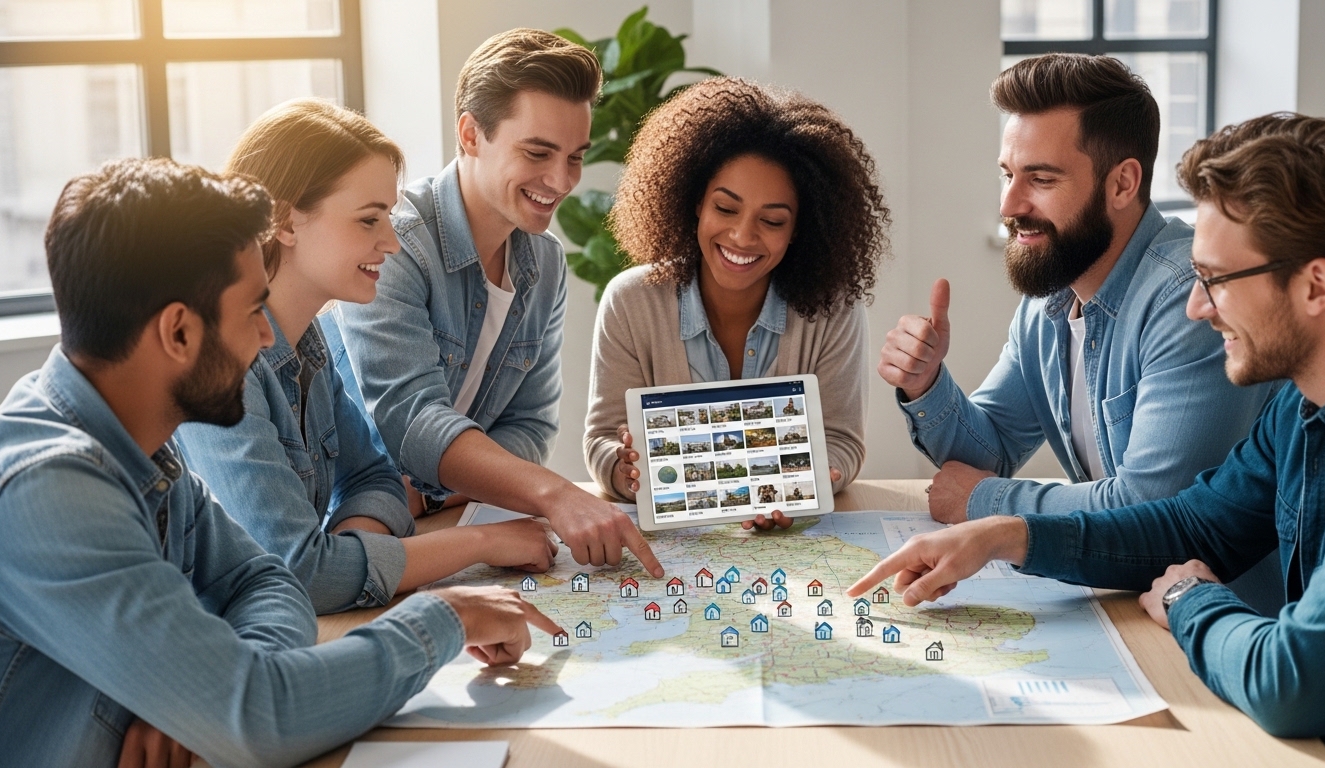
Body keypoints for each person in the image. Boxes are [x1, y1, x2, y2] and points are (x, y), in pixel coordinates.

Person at [851, 114, 1325, 768]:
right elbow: (1194, 525)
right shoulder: (1302, 403)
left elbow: (1294, 683)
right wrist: (1005, 537)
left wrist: (1188, 601)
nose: (1198, 307)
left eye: (1217, 280)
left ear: (1316, 286)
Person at [0, 157, 559, 767]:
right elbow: (262, 718)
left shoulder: (143, 444)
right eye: (249, 312)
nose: (267, 339)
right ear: (178, 333)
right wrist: (444, 619)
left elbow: (263, 581)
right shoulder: (51, 488)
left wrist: (211, 700)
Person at [878, 54, 1279, 609]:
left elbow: (1152, 508)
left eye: (1041, 179)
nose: (1009, 205)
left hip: (1222, 618)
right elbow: (990, 447)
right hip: (1128, 603)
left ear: (1122, 183)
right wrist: (926, 385)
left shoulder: (1191, 302)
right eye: (1007, 175)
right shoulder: (1050, 294)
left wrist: (984, 503)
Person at [174, 100, 557, 615]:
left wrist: (353, 555)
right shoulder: (220, 364)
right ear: (284, 222)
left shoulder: (308, 342)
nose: (392, 243)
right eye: (369, 220)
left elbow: (370, 478)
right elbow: (299, 572)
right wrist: (484, 543)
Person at [324, 29, 661, 576]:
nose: (561, 181)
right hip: (359, 524)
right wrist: (554, 495)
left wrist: (432, 492)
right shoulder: (395, 246)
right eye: (537, 152)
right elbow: (411, 423)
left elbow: (530, 428)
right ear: (471, 134)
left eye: (575, 157)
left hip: (436, 518)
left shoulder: (545, 263)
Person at [585, 77, 889, 529]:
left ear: (800, 230)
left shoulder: (833, 309)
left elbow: (841, 440)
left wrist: (814, 480)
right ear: (693, 203)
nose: (743, 237)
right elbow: (603, 441)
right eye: (725, 209)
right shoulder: (631, 301)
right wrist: (627, 469)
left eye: (772, 220)